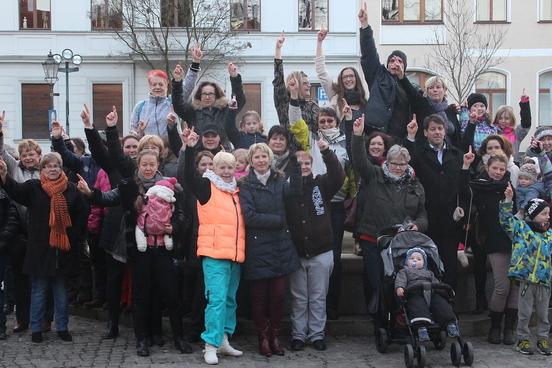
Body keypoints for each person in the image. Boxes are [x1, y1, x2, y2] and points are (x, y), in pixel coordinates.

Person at [78, 149, 191, 357]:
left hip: (164, 249)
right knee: (141, 295)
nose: (148, 168)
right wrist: (90, 193)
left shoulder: (171, 186)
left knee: (171, 294)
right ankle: (141, 339)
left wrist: (175, 227)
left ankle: (178, 337)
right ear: (138, 164)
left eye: (152, 164)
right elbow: (108, 198)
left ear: (158, 164)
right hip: (140, 249)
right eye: (144, 164)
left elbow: (183, 214)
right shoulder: (129, 186)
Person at [0, 152, 87, 343]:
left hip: (63, 249)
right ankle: (37, 328)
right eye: (48, 166)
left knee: (60, 291)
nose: (52, 169)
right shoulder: (34, 187)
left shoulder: (72, 189)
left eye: (56, 166)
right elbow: (15, 191)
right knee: (38, 290)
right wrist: (5, 176)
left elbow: (82, 215)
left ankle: (62, 327)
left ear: (61, 168)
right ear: (43, 169)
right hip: (39, 248)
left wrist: (72, 234)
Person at [351, 113, 428, 326]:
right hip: (373, 239)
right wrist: (357, 136)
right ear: (388, 160)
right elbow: (358, 160)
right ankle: (380, 320)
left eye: (402, 163)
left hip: (401, 242)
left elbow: (422, 215)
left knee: (399, 282)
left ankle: (399, 317)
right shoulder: (374, 175)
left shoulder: (415, 185)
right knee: (378, 282)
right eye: (394, 162)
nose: (397, 167)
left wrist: (418, 225)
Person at [180, 128, 245, 365]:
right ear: (213, 169)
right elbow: (188, 176)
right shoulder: (206, 187)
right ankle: (210, 344)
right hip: (214, 252)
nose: (227, 171)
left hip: (235, 254)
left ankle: (224, 339)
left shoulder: (237, 191)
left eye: (230, 167)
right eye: (222, 167)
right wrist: (188, 149)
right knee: (216, 299)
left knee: (229, 299)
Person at [239, 143, 301, 357]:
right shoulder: (245, 183)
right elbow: (249, 215)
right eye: (256, 157)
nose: (261, 160)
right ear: (251, 160)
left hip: (280, 246)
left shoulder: (279, 179)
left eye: (264, 156)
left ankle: (275, 334)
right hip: (257, 247)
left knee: (278, 296)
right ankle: (262, 336)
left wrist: (295, 163)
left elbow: (295, 193)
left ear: (270, 158)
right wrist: (276, 220)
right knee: (259, 297)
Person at [286, 146, 345, 351]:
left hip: (321, 250)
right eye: (299, 163)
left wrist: (327, 153)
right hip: (297, 252)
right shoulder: (288, 189)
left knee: (319, 296)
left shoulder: (322, 183)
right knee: (299, 297)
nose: (303, 166)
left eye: (307, 163)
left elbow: (338, 175)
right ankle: (298, 334)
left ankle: (317, 334)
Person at [460, 151, 518, 345]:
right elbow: (464, 194)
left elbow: (513, 216)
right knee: (502, 286)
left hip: (513, 241)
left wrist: (509, 200)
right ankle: (495, 326)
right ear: (487, 168)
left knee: (515, 288)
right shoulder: (479, 186)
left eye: (502, 169)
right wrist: (465, 167)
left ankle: (509, 327)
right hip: (493, 240)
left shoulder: (508, 187)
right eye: (495, 168)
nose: (498, 172)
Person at [404, 114, 463, 290]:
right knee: (429, 262)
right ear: (426, 132)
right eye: (433, 129)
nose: (437, 132)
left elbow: (463, 185)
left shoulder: (456, 154)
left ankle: (449, 304)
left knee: (450, 265)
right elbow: (407, 163)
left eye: (440, 128)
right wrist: (410, 137)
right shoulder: (420, 153)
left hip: (451, 220)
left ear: (445, 131)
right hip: (428, 218)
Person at [0, 112, 41, 334]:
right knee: (19, 280)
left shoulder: (45, 172)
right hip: (19, 233)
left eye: (31, 154)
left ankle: (42, 319)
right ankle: (22, 319)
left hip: (41, 233)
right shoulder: (15, 170)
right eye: (24, 154)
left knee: (41, 281)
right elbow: (2, 155)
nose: (27, 157)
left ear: (38, 155)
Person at [500, 185, 552, 356]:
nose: (548, 216)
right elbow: (506, 220)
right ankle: (522, 338)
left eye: (548, 213)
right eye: (544, 213)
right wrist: (508, 200)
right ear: (533, 214)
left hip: (544, 280)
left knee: (543, 314)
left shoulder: (549, 234)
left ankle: (543, 338)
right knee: (525, 312)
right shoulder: (521, 230)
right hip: (526, 279)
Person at [358, 2, 410, 140]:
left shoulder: (410, 87)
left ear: (405, 67)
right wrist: (365, 26)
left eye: (399, 61)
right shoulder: (378, 75)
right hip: (374, 134)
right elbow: (369, 54)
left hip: (398, 138)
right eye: (392, 61)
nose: (395, 64)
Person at [130, 46, 203, 138]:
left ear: (167, 84)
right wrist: (139, 132)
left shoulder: (173, 102)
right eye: (154, 84)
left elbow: (188, 86)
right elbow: (133, 132)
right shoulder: (140, 107)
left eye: (161, 84)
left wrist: (195, 62)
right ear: (149, 85)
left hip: (172, 149)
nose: (157, 87)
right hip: (149, 149)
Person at [395, 248, 459, 342]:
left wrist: (445, 290)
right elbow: (400, 281)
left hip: (431, 292)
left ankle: (450, 323)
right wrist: (400, 288)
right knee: (417, 306)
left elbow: (437, 285)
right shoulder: (404, 272)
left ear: (424, 263)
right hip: (414, 292)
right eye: (412, 258)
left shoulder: (429, 273)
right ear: (406, 262)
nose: (415, 260)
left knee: (441, 303)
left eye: (419, 259)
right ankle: (421, 327)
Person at [172, 62, 245, 145]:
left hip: (222, 153)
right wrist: (177, 82)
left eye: (210, 94)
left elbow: (239, 100)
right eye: (204, 94)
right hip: (198, 153)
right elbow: (178, 105)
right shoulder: (192, 111)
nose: (207, 97)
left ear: (217, 95)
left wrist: (235, 78)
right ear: (199, 95)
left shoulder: (226, 110)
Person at [315, 28, 367, 120]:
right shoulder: (335, 94)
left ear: (356, 79)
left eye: (351, 76)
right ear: (341, 81)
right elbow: (321, 72)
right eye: (345, 77)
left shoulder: (364, 101)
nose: (348, 79)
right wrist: (319, 42)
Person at [273, 32, 319, 129]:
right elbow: (278, 80)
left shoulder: (312, 106)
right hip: (289, 143)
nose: (309, 86)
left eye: (309, 83)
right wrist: (278, 49)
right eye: (305, 83)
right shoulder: (284, 102)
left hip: (309, 144)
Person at [400, 76, 462, 148]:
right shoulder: (421, 105)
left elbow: (457, 137)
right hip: (425, 152)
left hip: (448, 154)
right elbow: (410, 90)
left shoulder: (450, 110)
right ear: (427, 91)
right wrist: (402, 76)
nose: (435, 90)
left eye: (438, 87)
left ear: (444, 90)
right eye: (431, 88)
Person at [493, 93, 532, 162]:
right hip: (496, 164)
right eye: (500, 118)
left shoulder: (516, 133)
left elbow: (526, 123)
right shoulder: (492, 132)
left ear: (511, 120)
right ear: (497, 119)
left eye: (507, 118)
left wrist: (524, 103)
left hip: (513, 163)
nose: (503, 121)